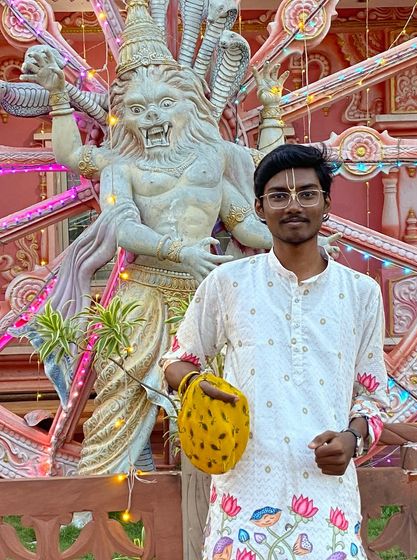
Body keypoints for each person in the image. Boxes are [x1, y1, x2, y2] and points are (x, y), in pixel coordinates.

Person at [162, 144, 389, 560]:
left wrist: (352, 439)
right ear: (259, 208)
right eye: (279, 196)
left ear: (326, 204)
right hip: (244, 498)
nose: (294, 205)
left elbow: (373, 397)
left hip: (327, 503)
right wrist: (196, 383)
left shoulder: (360, 293)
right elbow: (177, 361)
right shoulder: (228, 284)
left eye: (307, 194)